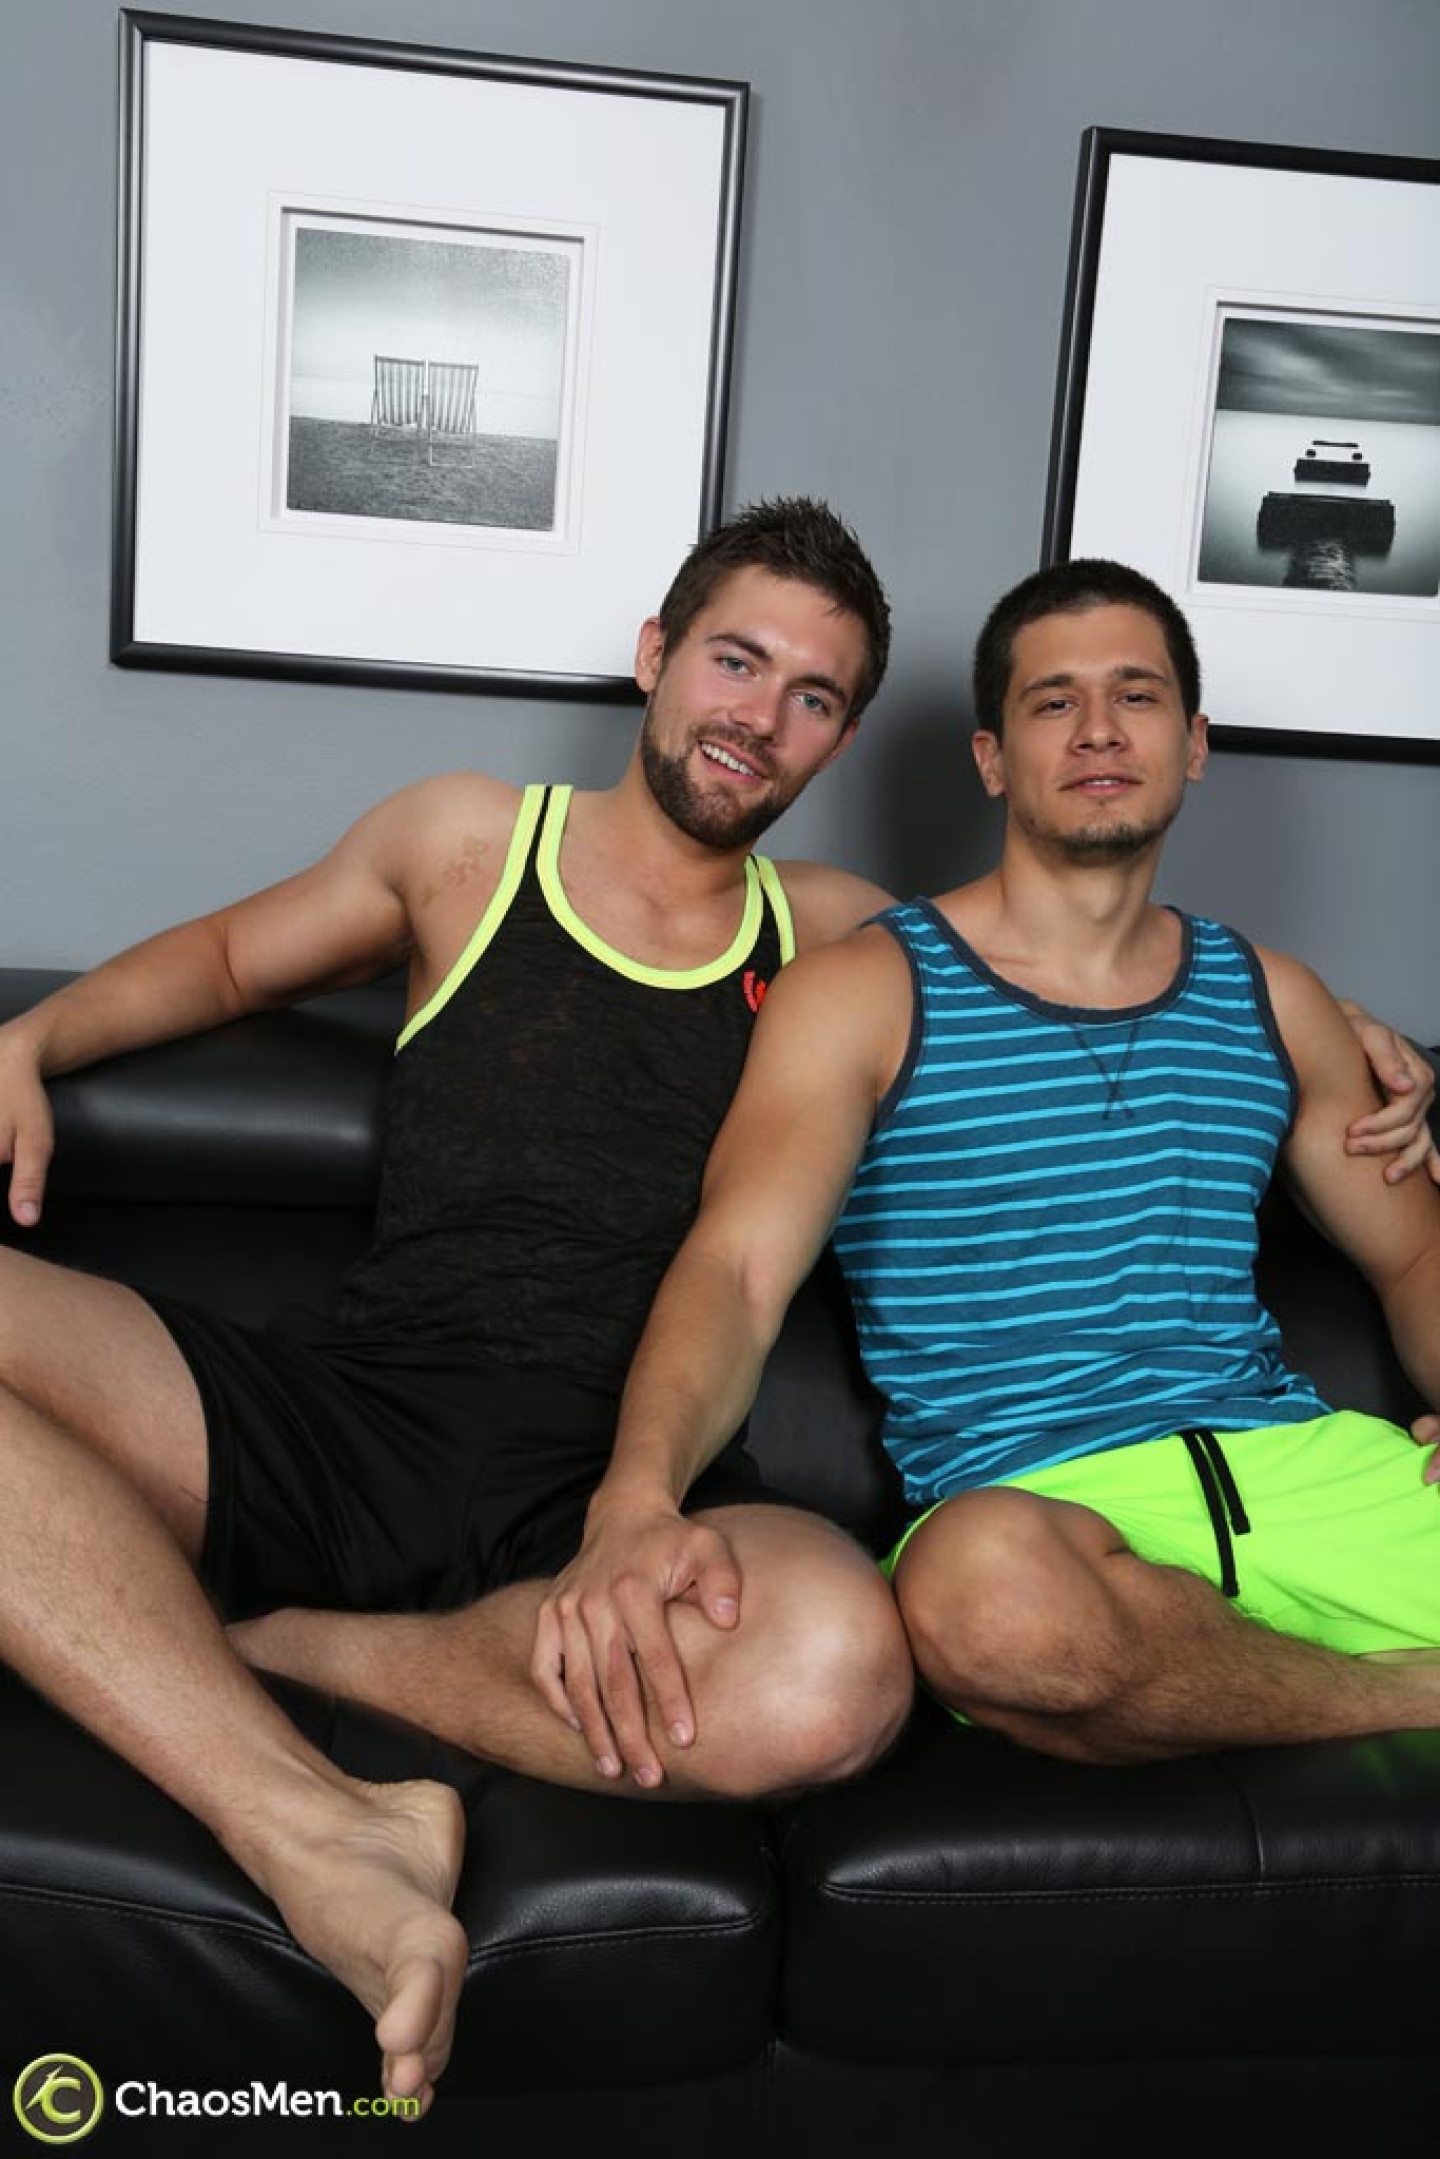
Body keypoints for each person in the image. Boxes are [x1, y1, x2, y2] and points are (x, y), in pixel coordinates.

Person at [0, 517, 1425, 2104]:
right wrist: (34, 1040)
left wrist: (1334, 1023)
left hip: (624, 1465)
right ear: (656, 654)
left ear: (845, 739)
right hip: (349, 1407)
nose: (760, 714)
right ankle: (308, 1811)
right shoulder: (465, 838)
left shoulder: (841, 929)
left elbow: (1063, 952)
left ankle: (251, 1642)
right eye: (737, 661)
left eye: (814, 696)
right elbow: (226, 959)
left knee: (835, 1674)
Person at [547, 554, 1440, 1782]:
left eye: (1137, 695)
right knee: (980, 1600)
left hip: (1311, 1475)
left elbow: (1416, 1252)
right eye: (1052, 700)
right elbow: (738, 1272)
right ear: (992, 758)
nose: (1098, 729)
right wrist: (636, 1498)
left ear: (1193, 744)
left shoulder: (1275, 999)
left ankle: (1261, 1682)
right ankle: (1406, 1691)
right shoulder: (863, 990)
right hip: (1041, 1521)